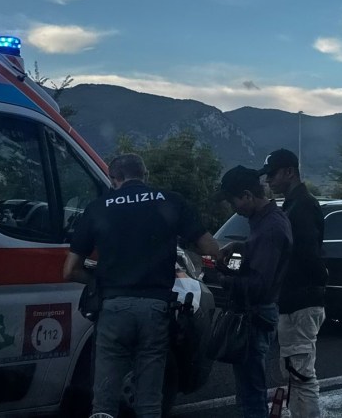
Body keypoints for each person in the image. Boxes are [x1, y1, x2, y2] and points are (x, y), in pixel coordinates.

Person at [62, 154, 222, 418]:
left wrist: (98, 280)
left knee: (103, 401)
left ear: (115, 179)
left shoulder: (98, 207)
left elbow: (69, 270)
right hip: (155, 308)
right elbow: (209, 247)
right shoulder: (170, 201)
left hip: (112, 308)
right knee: (149, 401)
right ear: (145, 176)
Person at [217, 165, 293, 418]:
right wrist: (243, 247)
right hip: (257, 312)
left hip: (256, 314)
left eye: (233, 201)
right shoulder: (263, 222)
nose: (233, 208)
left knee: (251, 392)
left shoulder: (270, 227)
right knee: (249, 387)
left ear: (248, 195)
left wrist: (225, 279)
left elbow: (260, 284)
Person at [259, 149, 326, 418]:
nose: (268, 181)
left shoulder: (303, 206)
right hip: (295, 301)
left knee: (300, 375)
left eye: (272, 175)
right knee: (295, 373)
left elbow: (307, 255)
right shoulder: (292, 204)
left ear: (289, 172)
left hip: (301, 302)